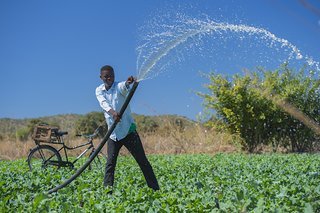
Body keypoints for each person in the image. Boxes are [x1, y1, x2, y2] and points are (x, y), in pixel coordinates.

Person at [95, 65, 160, 192]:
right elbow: (103, 103)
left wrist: (128, 83)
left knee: (142, 161)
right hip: (113, 134)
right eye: (106, 76)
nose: (109, 78)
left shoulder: (118, 86)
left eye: (111, 76)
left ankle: (155, 189)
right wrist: (113, 113)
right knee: (110, 164)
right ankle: (107, 192)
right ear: (101, 77)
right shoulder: (99, 90)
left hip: (128, 131)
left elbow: (123, 88)